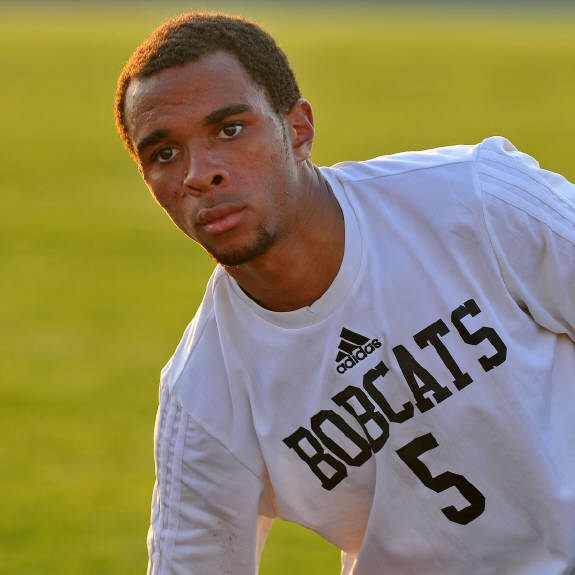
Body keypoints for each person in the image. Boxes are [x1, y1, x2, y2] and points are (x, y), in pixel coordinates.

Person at [115, 11, 575, 575]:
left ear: (299, 129)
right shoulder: (204, 393)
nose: (199, 173)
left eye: (230, 129)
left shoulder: (479, 201)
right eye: (164, 153)